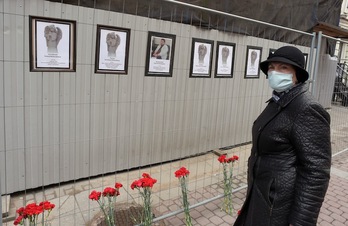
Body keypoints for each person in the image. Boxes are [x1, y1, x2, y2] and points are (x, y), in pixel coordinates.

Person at [234, 46, 331, 226]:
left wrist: (301, 222)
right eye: (272, 67)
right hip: (262, 195)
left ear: (297, 75)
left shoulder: (306, 108)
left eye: (283, 68)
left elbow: (316, 172)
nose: (274, 72)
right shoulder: (279, 100)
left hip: (279, 206)